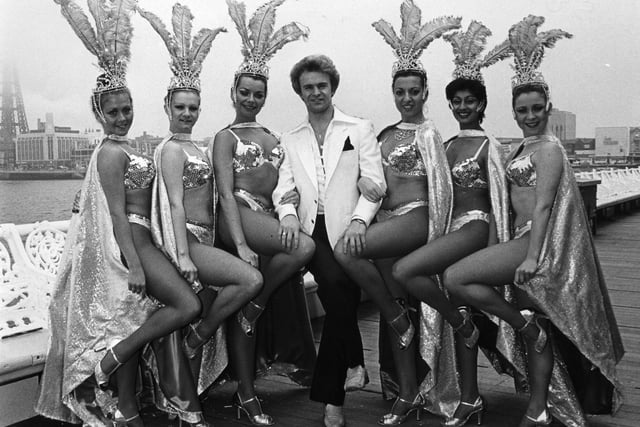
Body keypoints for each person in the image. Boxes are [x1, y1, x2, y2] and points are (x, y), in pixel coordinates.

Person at [443, 15, 623, 427]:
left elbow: (542, 207)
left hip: (537, 247)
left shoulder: (550, 149)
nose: (529, 116)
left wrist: (531, 258)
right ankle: (539, 409)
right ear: (514, 111)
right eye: (522, 110)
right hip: (521, 240)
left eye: (536, 109)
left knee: (456, 278)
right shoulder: (523, 144)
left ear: (548, 108)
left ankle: (525, 338)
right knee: (534, 323)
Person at [37, 1, 203, 425]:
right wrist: (132, 264)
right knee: (186, 306)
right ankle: (111, 362)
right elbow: (114, 214)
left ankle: (125, 404)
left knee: (146, 316)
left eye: (127, 109)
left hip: (147, 240)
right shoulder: (110, 153)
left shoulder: (130, 146)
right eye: (113, 112)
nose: (122, 117)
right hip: (132, 243)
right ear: (98, 113)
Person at [333, 3, 461, 424]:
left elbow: (442, 191)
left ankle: (393, 313)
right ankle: (406, 394)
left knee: (347, 253)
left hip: (415, 218)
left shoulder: (429, 134)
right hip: (386, 223)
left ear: (425, 93)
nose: (406, 99)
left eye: (414, 92)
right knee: (397, 316)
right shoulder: (384, 134)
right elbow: (364, 179)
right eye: (400, 92)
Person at [390, 20, 522, 427]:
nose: (463, 107)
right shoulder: (445, 144)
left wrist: (497, 250)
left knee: (405, 270)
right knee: (457, 305)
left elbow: (500, 201)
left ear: (482, 105)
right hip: (452, 232)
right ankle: (469, 398)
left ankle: (460, 323)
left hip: (478, 228)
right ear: (449, 106)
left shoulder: (489, 145)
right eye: (457, 102)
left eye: (470, 101)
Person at [139, 4, 261, 426]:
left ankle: (182, 401)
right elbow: (173, 203)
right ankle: (200, 334)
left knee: (236, 286)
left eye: (193, 107)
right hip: (188, 240)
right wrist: (185, 256)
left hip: (207, 239)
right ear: (168, 106)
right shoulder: (172, 149)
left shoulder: (201, 146)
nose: (188, 113)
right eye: (181, 107)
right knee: (250, 280)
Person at [209, 1, 314, 424]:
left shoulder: (275, 137)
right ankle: (247, 392)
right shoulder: (225, 136)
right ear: (233, 93)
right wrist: (239, 244)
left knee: (251, 302)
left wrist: (286, 215)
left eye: (259, 94)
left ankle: (247, 394)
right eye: (245, 93)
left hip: (268, 222)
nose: (251, 99)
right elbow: (223, 192)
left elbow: (286, 191)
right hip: (238, 220)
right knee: (303, 249)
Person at [272, 54, 386, 427]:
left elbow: (375, 184)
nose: (316, 92)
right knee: (338, 287)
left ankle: (340, 386)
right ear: (299, 93)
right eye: (308, 87)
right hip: (312, 231)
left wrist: (358, 222)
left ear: (332, 87)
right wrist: (288, 217)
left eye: (322, 85)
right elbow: (283, 190)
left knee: (339, 296)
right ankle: (344, 376)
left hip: (350, 228)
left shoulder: (359, 128)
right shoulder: (290, 139)